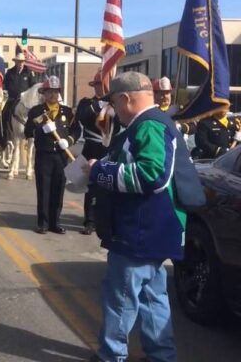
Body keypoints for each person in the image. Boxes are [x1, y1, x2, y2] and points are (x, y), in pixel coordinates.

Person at [86, 71, 204, 362]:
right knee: (152, 297)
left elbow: (152, 175)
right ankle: (161, 355)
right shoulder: (149, 124)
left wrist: (100, 171)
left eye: (114, 102)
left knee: (121, 298)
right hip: (151, 230)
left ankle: (111, 356)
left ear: (126, 98)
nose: (113, 109)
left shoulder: (149, 125)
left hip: (140, 230)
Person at [24, 76, 79, 235]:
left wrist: (69, 141)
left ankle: (55, 223)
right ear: (44, 93)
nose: (52, 95)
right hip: (44, 156)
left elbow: (76, 130)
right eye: (49, 92)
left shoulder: (67, 112)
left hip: (61, 156)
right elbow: (28, 132)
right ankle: (43, 223)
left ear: (59, 93)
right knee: (44, 189)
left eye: (55, 92)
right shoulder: (36, 111)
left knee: (58, 189)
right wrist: (41, 129)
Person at [70, 72, 114, 235]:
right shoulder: (86, 103)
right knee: (91, 186)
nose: (99, 87)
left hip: (109, 149)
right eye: (97, 85)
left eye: (102, 84)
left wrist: (110, 105)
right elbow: (82, 116)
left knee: (108, 186)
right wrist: (98, 106)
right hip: (92, 147)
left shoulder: (114, 104)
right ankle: (89, 221)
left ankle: (104, 220)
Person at [2, 53, 42, 145]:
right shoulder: (10, 72)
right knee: (4, 113)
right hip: (12, 99)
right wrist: (6, 92)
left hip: (25, 100)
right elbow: (5, 85)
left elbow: (33, 86)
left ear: (24, 62)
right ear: (15, 62)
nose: (20, 63)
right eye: (18, 61)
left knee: (36, 114)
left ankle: (35, 134)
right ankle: (5, 135)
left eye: (22, 61)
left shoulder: (28, 72)